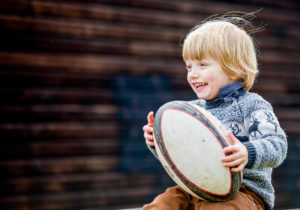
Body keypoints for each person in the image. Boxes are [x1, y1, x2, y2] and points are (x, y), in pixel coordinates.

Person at [142, 14, 287, 210]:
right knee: (163, 204)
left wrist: (247, 151)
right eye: (189, 66)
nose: (193, 74)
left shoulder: (251, 105)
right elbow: (183, 156)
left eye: (202, 65)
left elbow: (277, 145)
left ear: (235, 67)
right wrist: (158, 142)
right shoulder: (193, 111)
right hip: (194, 187)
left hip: (243, 193)